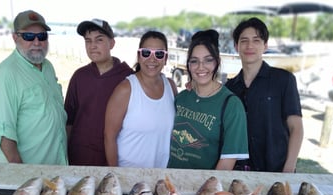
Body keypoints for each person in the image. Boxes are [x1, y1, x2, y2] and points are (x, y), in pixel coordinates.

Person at [225, 17, 304, 173]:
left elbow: (296, 128)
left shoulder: (284, 80)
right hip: (240, 174)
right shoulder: (230, 88)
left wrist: (289, 168)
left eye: (256, 40)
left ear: (265, 46)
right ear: (236, 46)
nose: (249, 46)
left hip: (277, 170)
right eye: (244, 41)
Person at [0, 10, 67, 165]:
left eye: (42, 36)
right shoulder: (5, 74)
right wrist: (21, 175)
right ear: (15, 37)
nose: (37, 42)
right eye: (29, 36)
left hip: (56, 168)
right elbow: (4, 132)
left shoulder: (48, 67)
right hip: (29, 175)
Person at [167, 29, 249, 170]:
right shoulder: (181, 98)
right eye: (194, 61)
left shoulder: (232, 105)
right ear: (189, 65)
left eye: (208, 60)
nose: (200, 67)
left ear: (217, 62)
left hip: (203, 189)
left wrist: (205, 192)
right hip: (170, 185)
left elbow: (226, 164)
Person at [104, 31, 178, 168]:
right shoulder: (125, 89)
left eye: (159, 54)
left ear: (166, 59)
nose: (152, 58)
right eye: (146, 53)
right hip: (130, 177)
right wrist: (117, 175)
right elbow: (109, 137)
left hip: (161, 177)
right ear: (139, 56)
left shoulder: (171, 86)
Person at [64, 19, 133, 166]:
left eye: (99, 40)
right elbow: (69, 119)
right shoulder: (79, 76)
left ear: (112, 43)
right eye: (88, 41)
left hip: (113, 158)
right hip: (78, 156)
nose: (93, 46)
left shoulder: (128, 78)